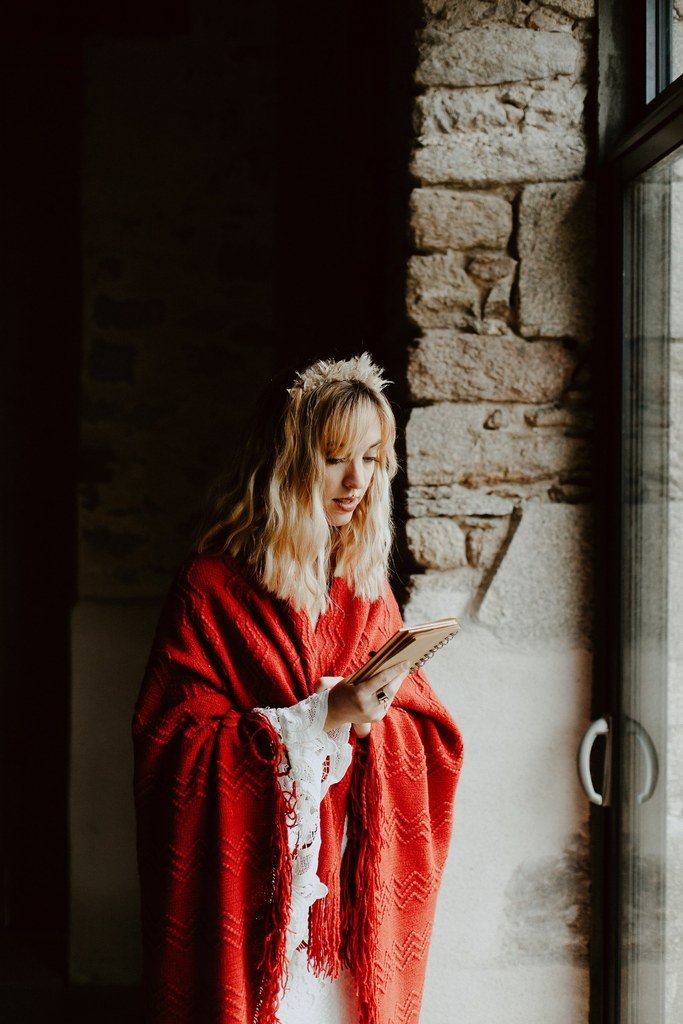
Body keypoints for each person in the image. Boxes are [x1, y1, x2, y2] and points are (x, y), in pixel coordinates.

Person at [131, 352, 464, 1024]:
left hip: (345, 901)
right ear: (286, 461)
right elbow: (172, 746)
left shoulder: (367, 593)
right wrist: (321, 716)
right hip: (255, 905)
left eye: (371, 459)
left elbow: (430, 733)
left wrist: (375, 715)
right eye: (335, 456)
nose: (355, 481)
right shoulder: (211, 588)